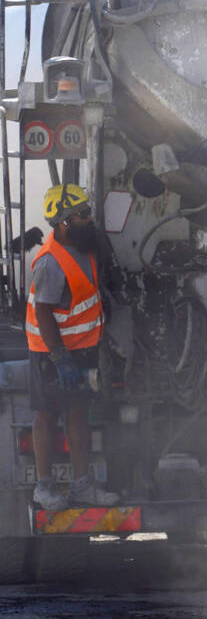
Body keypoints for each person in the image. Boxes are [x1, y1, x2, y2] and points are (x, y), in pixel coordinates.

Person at [25, 184, 119, 510]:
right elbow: (43, 313)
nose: (89, 219)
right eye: (82, 214)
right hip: (52, 353)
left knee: (79, 412)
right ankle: (44, 488)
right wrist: (60, 358)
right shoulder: (49, 263)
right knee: (47, 415)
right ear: (64, 222)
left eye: (88, 211)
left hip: (84, 349)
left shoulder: (85, 247)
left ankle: (82, 487)